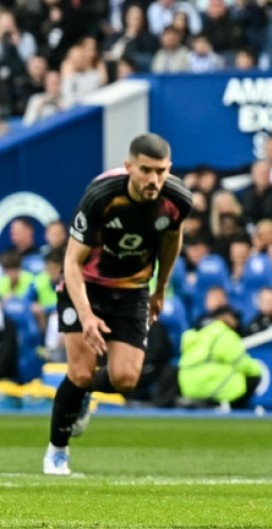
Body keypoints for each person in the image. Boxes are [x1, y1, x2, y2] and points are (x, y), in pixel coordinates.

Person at [43, 134, 192, 476]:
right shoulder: (102, 196)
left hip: (132, 289)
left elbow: (172, 240)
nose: (154, 179)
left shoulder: (177, 199)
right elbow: (71, 262)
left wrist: (160, 288)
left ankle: (82, 394)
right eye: (146, 170)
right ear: (129, 167)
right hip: (86, 286)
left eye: (161, 171)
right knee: (80, 371)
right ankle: (57, 451)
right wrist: (86, 316)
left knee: (125, 378)